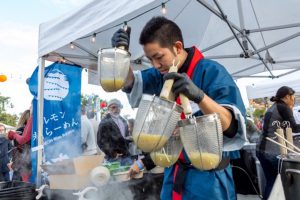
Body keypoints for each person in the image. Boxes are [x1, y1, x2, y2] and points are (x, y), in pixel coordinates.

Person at [111, 16, 246, 200]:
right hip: (174, 175)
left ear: (178, 47)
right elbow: (130, 83)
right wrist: (122, 56)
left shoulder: (211, 72)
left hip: (209, 181)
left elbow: (231, 125)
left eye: (159, 57)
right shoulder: (162, 75)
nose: (156, 65)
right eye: (150, 59)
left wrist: (199, 96)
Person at [256, 86, 300, 199]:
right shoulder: (283, 107)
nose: (293, 100)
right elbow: (295, 128)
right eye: (293, 97)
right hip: (271, 151)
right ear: (287, 97)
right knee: (278, 182)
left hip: (261, 150)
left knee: (271, 181)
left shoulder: (274, 107)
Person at [97, 99, 132, 165]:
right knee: (115, 175)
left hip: (126, 156)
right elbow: (101, 141)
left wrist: (130, 139)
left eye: (118, 107)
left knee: (129, 174)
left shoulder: (123, 121)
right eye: (113, 107)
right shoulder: (104, 122)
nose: (116, 109)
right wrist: (113, 154)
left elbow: (125, 137)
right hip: (113, 158)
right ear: (108, 108)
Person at [7, 108, 32, 182]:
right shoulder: (30, 131)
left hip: (21, 165)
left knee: (19, 187)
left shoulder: (20, 130)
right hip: (27, 164)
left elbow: (19, 146)